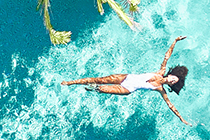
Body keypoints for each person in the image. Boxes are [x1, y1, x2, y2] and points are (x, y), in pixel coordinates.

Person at [61, 36, 191, 125]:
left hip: (127, 89)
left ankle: (90, 89)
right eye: (174, 78)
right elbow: (167, 55)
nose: (172, 81)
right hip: (126, 77)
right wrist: (175, 41)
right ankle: (70, 82)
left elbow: (170, 105)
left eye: (174, 82)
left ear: (171, 84)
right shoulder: (160, 72)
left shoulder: (160, 89)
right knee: (98, 80)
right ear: (172, 74)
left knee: (99, 88)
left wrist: (181, 118)